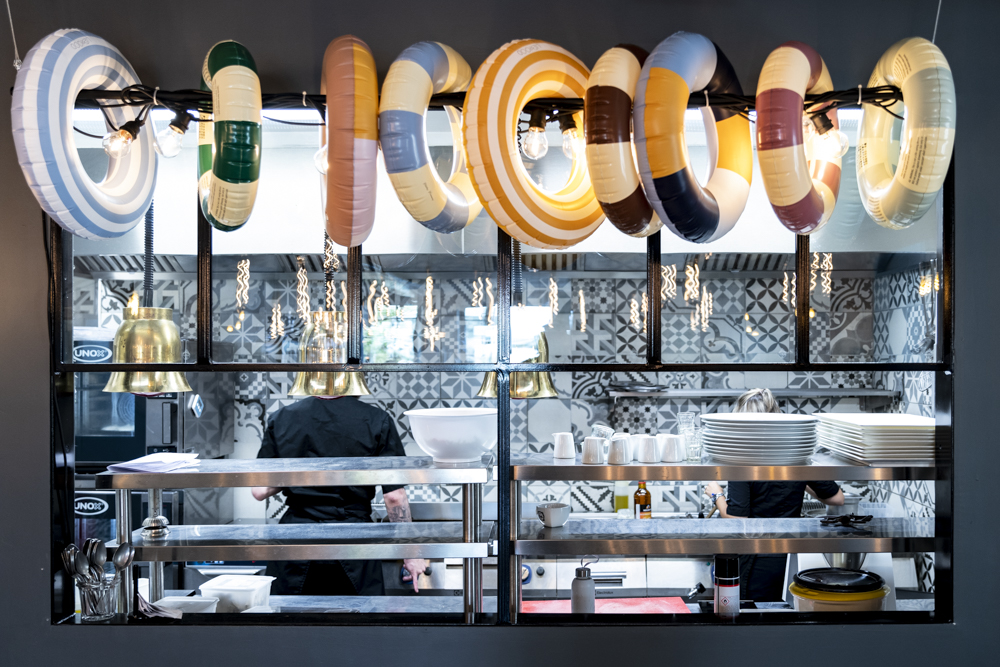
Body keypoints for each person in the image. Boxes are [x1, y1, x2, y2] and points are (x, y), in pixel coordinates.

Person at [251, 395, 427, 595]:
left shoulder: (281, 417)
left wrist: (300, 476)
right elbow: (394, 497)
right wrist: (411, 554)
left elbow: (259, 490)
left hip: (296, 537)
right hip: (354, 538)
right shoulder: (377, 418)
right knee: (359, 613)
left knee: (293, 614)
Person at [704, 388, 844, 602]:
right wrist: (799, 479)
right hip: (790, 556)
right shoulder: (796, 453)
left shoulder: (742, 456)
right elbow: (837, 498)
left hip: (755, 558)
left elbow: (737, 518)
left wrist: (717, 495)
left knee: (754, 616)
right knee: (783, 614)